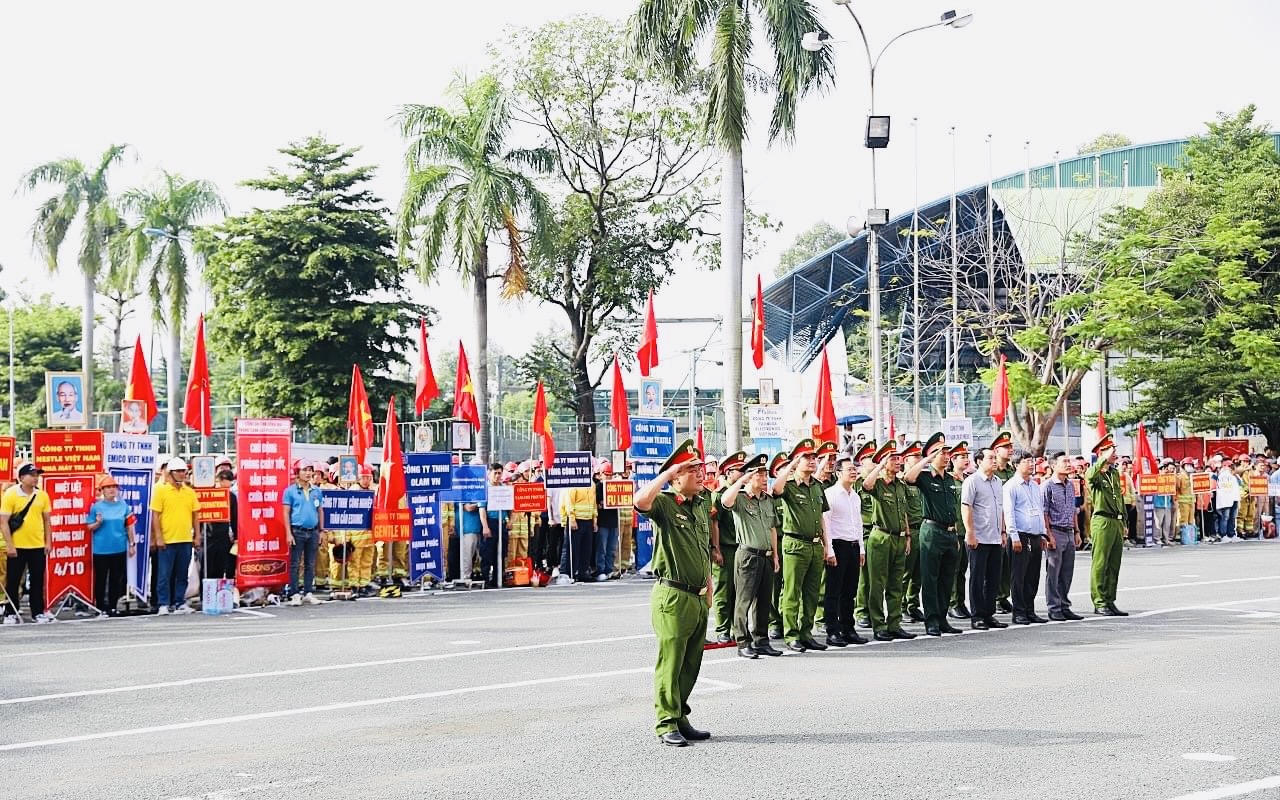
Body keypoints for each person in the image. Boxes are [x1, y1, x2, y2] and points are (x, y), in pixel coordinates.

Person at [634, 439, 713, 747]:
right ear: (676, 476)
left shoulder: (700, 504)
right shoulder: (666, 504)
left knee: (690, 663)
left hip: (697, 595)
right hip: (673, 595)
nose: (699, 473)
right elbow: (641, 501)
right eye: (690, 469)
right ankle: (666, 721)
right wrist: (667, 475)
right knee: (671, 660)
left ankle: (680, 715)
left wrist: (708, 587)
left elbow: (703, 549)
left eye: (699, 468)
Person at [770, 438, 834, 653]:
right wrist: (790, 465)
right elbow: (775, 489)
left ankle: (806, 633)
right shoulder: (788, 485)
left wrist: (826, 545)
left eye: (814, 457)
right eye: (806, 457)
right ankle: (791, 634)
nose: (812, 461)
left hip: (815, 545)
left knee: (811, 592)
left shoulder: (817, 486)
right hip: (795, 543)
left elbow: (822, 517)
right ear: (797, 461)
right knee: (791, 591)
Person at [719, 453, 782, 659]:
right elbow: (725, 501)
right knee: (743, 601)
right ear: (749, 476)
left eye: (765, 474)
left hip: (765, 555)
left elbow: (772, 528)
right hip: (747, 555)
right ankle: (743, 641)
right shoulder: (741, 499)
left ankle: (761, 640)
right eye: (760, 474)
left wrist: (774, 556)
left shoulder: (767, 500)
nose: (764, 478)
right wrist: (741, 481)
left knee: (764, 601)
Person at [904, 433, 963, 637]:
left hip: (949, 532)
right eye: (942, 452)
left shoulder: (949, 479)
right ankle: (931, 621)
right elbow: (908, 477)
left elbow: (953, 508)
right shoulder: (925, 477)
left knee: (947, 578)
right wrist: (927, 459)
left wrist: (955, 533)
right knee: (930, 578)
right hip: (931, 531)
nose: (946, 456)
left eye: (947, 452)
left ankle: (942, 617)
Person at [861, 441, 914, 642]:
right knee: (877, 584)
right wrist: (880, 466)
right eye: (893, 458)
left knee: (896, 584)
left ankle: (894, 623)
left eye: (899, 458)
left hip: (899, 538)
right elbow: (866, 485)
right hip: (880, 538)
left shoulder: (900, 486)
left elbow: (905, 513)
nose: (898, 462)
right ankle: (879, 624)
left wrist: (907, 535)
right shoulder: (878, 484)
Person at [821, 452, 869, 646]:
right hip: (837, 546)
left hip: (853, 546)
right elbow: (826, 524)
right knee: (834, 591)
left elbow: (858, 524)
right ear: (838, 473)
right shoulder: (830, 495)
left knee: (850, 591)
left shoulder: (855, 497)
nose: (854, 472)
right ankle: (832, 631)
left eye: (855, 469)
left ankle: (848, 628)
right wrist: (829, 550)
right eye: (850, 469)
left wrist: (861, 549)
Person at [961, 448, 1007, 631]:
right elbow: (967, 507)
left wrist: (1003, 532)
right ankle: (977, 615)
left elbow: (1000, 508)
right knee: (977, 578)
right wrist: (970, 532)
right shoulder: (972, 481)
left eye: (995, 458)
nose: (994, 461)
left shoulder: (998, 482)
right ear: (979, 461)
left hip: (995, 537)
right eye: (990, 458)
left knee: (993, 578)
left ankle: (989, 613)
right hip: (979, 538)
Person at [2, 464, 54, 623]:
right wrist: (9, 545)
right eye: (32, 475)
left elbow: (47, 521)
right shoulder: (11, 494)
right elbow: (3, 522)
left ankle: (38, 612)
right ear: (22, 477)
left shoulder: (42, 495)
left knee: (37, 581)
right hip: (17, 545)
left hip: (37, 545)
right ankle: (10, 612)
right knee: (13, 580)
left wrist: (48, 542)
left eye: (37, 474)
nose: (35, 478)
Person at [1002, 450, 1049, 625]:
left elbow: (1040, 510)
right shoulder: (1010, 486)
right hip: (1020, 536)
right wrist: (1013, 536)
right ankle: (1019, 611)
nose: (1031, 464)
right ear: (1016, 464)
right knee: (1018, 576)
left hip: (1035, 535)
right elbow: (1009, 513)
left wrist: (1043, 533)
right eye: (1027, 461)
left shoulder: (1035, 486)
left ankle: (1030, 609)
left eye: (1032, 461)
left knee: (1032, 576)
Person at [150, 457, 202, 615]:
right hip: (167, 539)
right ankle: (163, 603)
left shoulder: (189, 492)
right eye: (178, 471)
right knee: (164, 575)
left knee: (182, 574)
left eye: (183, 471)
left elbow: (195, 516)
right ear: (170, 473)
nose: (182, 474)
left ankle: (179, 601)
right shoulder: (160, 490)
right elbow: (155, 515)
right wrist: (158, 537)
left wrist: (197, 536)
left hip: (185, 539)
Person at [1087, 434, 1129, 616]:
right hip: (1102, 520)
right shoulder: (1095, 473)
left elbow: (1119, 498)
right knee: (1100, 562)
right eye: (1111, 450)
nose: (1115, 453)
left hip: (1116, 520)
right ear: (1101, 453)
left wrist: (1124, 521)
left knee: (1114, 563)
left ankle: (1110, 599)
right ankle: (1099, 601)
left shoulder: (1114, 473)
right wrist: (1102, 459)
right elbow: (1089, 476)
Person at [87, 474, 137, 616]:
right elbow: (89, 527)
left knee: (116, 578)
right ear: (102, 490)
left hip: (119, 547)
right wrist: (97, 523)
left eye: (114, 487)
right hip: (101, 549)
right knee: (101, 579)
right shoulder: (96, 507)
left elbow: (129, 526)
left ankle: (113, 606)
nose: (111, 490)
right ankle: (101, 607)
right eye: (108, 487)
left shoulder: (123, 506)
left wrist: (132, 544)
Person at [1042, 452, 1083, 621]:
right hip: (1055, 531)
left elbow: (1073, 510)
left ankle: (1064, 605)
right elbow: (1043, 513)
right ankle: (1054, 607)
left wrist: (1077, 531)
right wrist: (1048, 535)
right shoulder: (1047, 486)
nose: (1068, 464)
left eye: (1069, 461)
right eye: (1064, 462)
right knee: (1053, 572)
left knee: (1067, 572)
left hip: (1069, 532)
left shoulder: (1070, 485)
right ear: (1053, 466)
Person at [710, 451, 745, 643]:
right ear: (729, 472)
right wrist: (716, 549)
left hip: (743, 549)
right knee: (723, 591)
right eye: (739, 470)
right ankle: (723, 628)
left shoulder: (743, 493)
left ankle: (737, 627)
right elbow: (715, 523)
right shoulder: (719, 495)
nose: (742, 473)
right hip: (727, 548)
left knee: (740, 592)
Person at [283, 460, 323, 606]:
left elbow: (320, 510)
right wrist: (288, 533)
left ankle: (308, 592)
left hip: (313, 532)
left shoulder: (316, 491)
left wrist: (322, 530)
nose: (308, 473)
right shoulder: (290, 491)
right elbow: (286, 513)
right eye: (304, 470)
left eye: (310, 470)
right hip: (297, 531)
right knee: (294, 564)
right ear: (297, 472)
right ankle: (294, 593)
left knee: (310, 563)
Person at [899, 440, 926, 623]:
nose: (918, 459)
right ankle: (900, 607)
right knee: (905, 573)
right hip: (910, 531)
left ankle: (912, 604)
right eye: (915, 456)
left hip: (924, 529)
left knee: (919, 572)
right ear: (905, 460)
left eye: (919, 456)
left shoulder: (922, 480)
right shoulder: (902, 481)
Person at [991, 432, 1016, 614]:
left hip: (1010, 523)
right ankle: (995, 597)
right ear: (996, 450)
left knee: (1008, 564)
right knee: (996, 564)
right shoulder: (993, 473)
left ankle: (1003, 596)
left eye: (1010, 447)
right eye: (1006, 447)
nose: (1010, 450)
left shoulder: (1012, 472)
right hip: (995, 524)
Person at [948, 442, 972, 620]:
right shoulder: (949, 480)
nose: (966, 460)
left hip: (967, 530)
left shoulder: (969, 479)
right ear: (952, 459)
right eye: (962, 457)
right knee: (953, 569)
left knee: (963, 569)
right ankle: (953, 603)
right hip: (954, 530)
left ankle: (960, 602)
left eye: (966, 456)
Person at [560, 474, 597, 583]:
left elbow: (593, 503)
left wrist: (594, 520)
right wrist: (571, 518)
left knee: (586, 548)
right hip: (576, 520)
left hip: (588, 519)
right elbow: (569, 502)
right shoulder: (574, 483)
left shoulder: (592, 484)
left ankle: (583, 572)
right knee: (572, 548)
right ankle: (567, 572)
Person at [204, 469, 238, 580]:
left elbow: (234, 517)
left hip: (223, 536)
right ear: (220, 480)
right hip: (208, 536)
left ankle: (217, 593)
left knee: (220, 566)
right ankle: (206, 593)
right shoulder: (209, 493)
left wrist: (236, 536)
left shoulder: (231, 497)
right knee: (207, 567)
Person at [594, 458, 620, 582]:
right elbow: (598, 504)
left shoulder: (616, 486)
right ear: (601, 475)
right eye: (606, 475)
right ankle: (601, 570)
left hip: (614, 521)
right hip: (602, 522)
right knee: (602, 548)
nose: (608, 477)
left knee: (611, 548)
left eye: (610, 475)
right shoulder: (598, 487)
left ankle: (609, 570)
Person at [459, 489, 488, 585]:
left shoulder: (479, 492)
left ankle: (477, 575)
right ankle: (466, 577)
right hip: (468, 529)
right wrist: (481, 503)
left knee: (480, 555)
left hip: (480, 528)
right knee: (467, 555)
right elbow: (468, 507)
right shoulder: (463, 492)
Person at [1152, 459, 1177, 546]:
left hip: (1167, 503)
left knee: (1167, 523)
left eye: (1167, 468)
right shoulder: (1157, 478)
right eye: (1164, 468)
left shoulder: (1171, 478)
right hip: (1159, 503)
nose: (1166, 470)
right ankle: (1157, 538)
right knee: (1158, 522)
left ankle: (1166, 539)